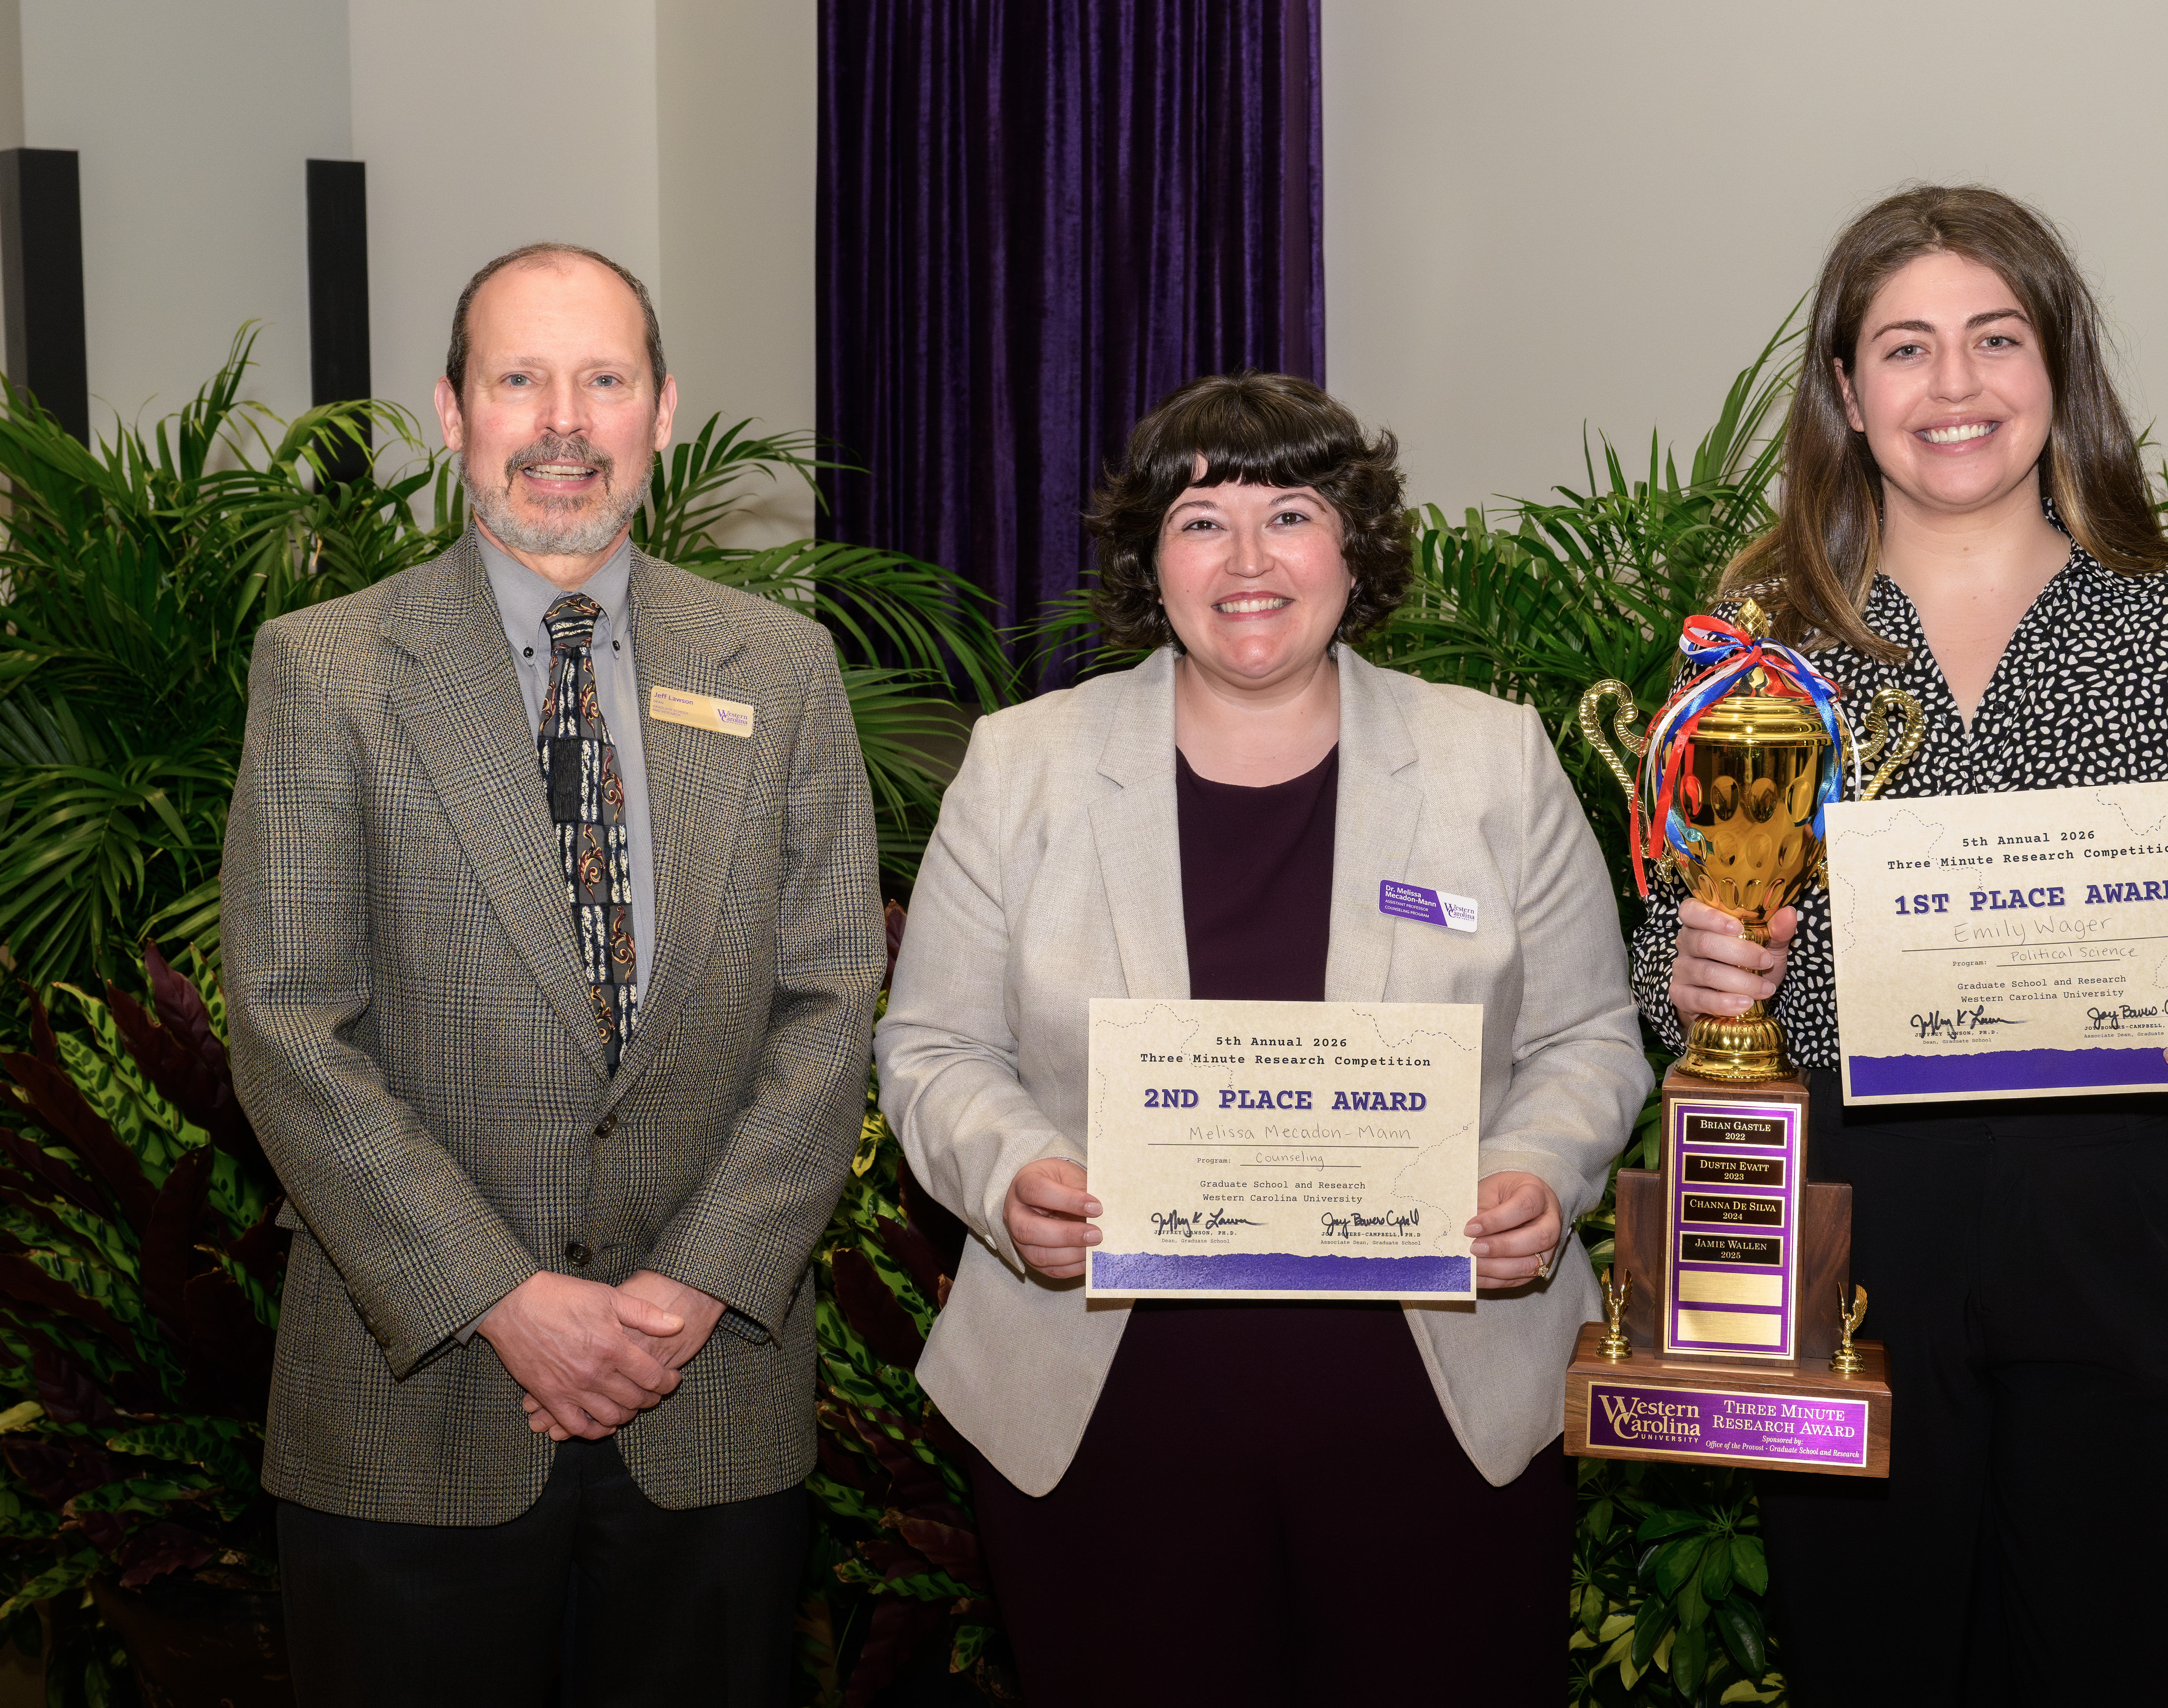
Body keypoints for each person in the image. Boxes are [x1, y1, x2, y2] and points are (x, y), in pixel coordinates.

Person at [1631, 186, 2168, 1705]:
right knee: (1866, 1658)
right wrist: (1692, 971)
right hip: (1854, 1224)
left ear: (2054, 367)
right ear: (1843, 390)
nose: (1951, 388)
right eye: (1903, 348)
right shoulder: (1757, 641)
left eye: (1991, 338)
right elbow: (1671, 946)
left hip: (2136, 1212)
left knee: (2125, 1658)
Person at [876, 372, 1651, 1705]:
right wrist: (1008, 1181)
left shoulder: (1492, 761)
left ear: (1353, 545)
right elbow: (933, 1047)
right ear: (1147, 562)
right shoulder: (1022, 766)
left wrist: (1541, 1170)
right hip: (1104, 1418)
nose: (1248, 560)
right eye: (1199, 523)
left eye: (1290, 514)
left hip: (1437, 1412)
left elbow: (1588, 1035)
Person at [221, 243, 882, 1706]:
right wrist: (510, 1298)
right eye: (520, 378)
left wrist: (690, 1291)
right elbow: (287, 1023)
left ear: (661, 409)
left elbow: (833, 998)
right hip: (414, 1414)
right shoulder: (327, 670)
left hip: (707, 1398)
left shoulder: (781, 668)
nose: (563, 423)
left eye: (603, 379)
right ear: (452, 412)